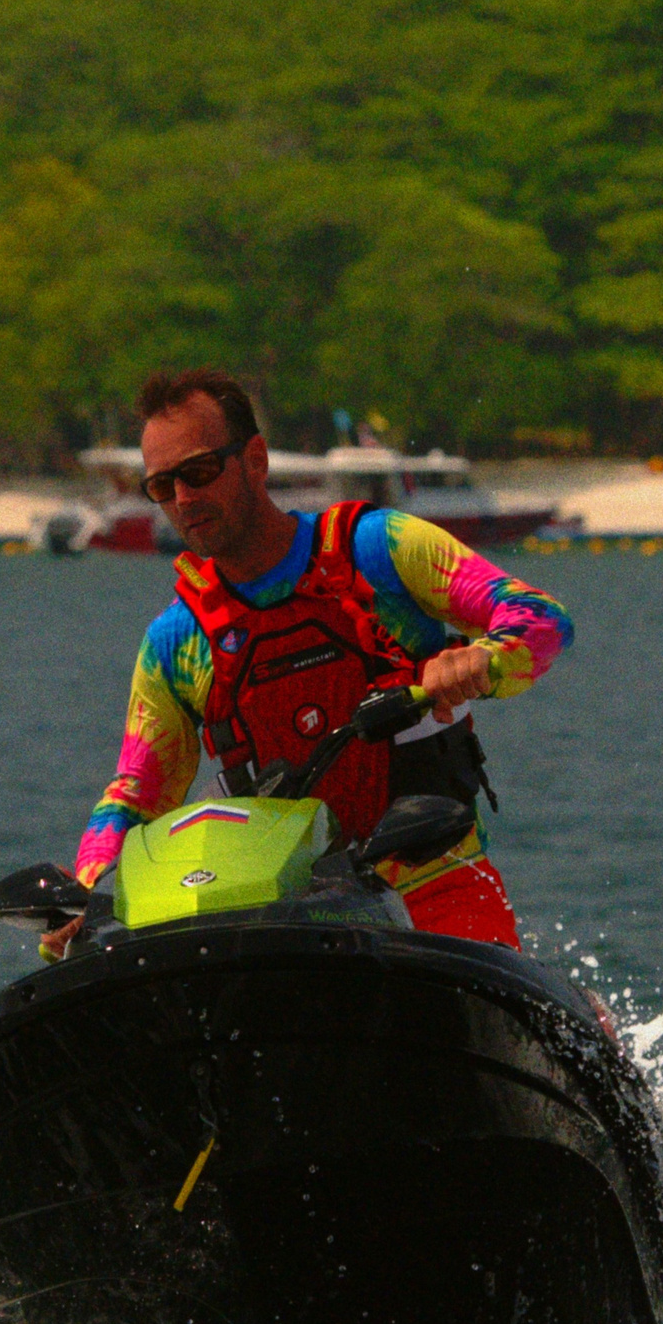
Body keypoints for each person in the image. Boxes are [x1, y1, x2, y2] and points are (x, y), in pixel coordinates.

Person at [48, 368, 573, 957]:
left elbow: (541, 618)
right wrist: (86, 893)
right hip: (287, 915)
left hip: (435, 884)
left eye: (197, 474)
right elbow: (136, 796)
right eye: (162, 487)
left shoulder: (381, 549)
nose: (183, 500)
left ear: (255, 460)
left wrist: (483, 659)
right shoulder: (178, 643)